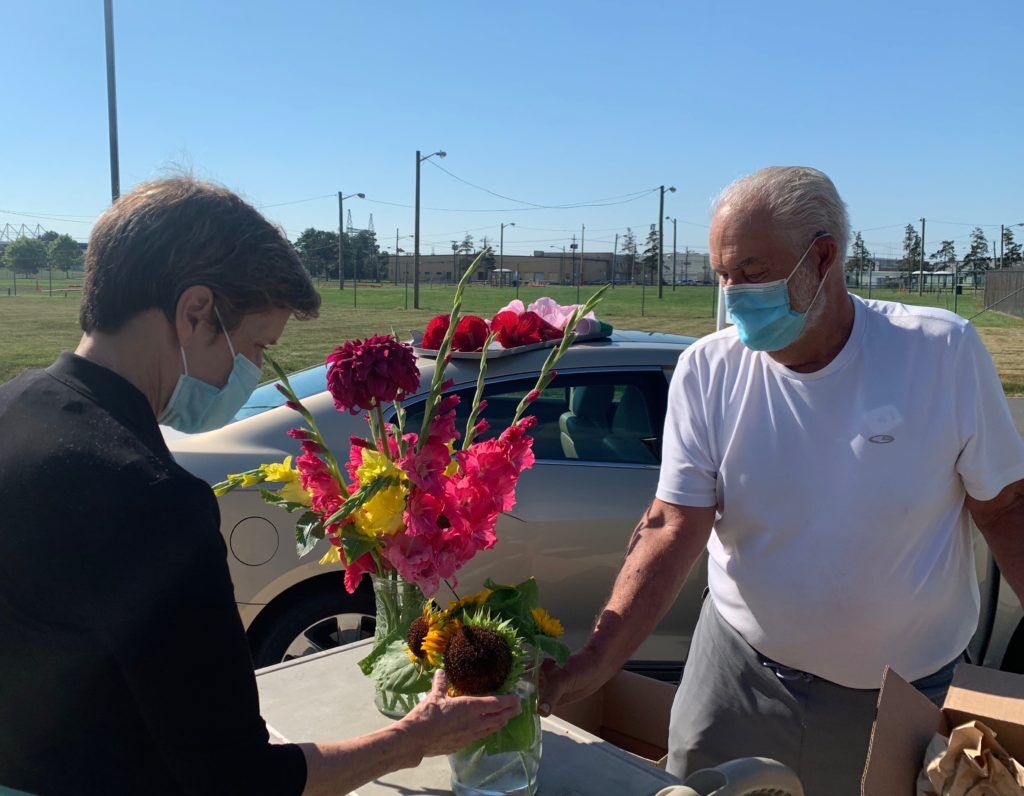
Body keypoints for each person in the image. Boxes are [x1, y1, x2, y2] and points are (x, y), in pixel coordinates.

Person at [0, 178, 519, 795]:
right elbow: (241, 781)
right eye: (255, 346)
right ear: (196, 313)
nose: (246, 374)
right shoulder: (150, 498)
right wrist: (414, 739)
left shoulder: (15, 406)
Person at [540, 166, 1024, 795]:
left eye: (750, 271)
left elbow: (1005, 507)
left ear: (823, 258)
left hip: (897, 696)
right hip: (737, 672)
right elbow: (671, 523)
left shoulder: (940, 353)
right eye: (722, 274)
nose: (732, 293)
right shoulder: (706, 371)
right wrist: (595, 663)